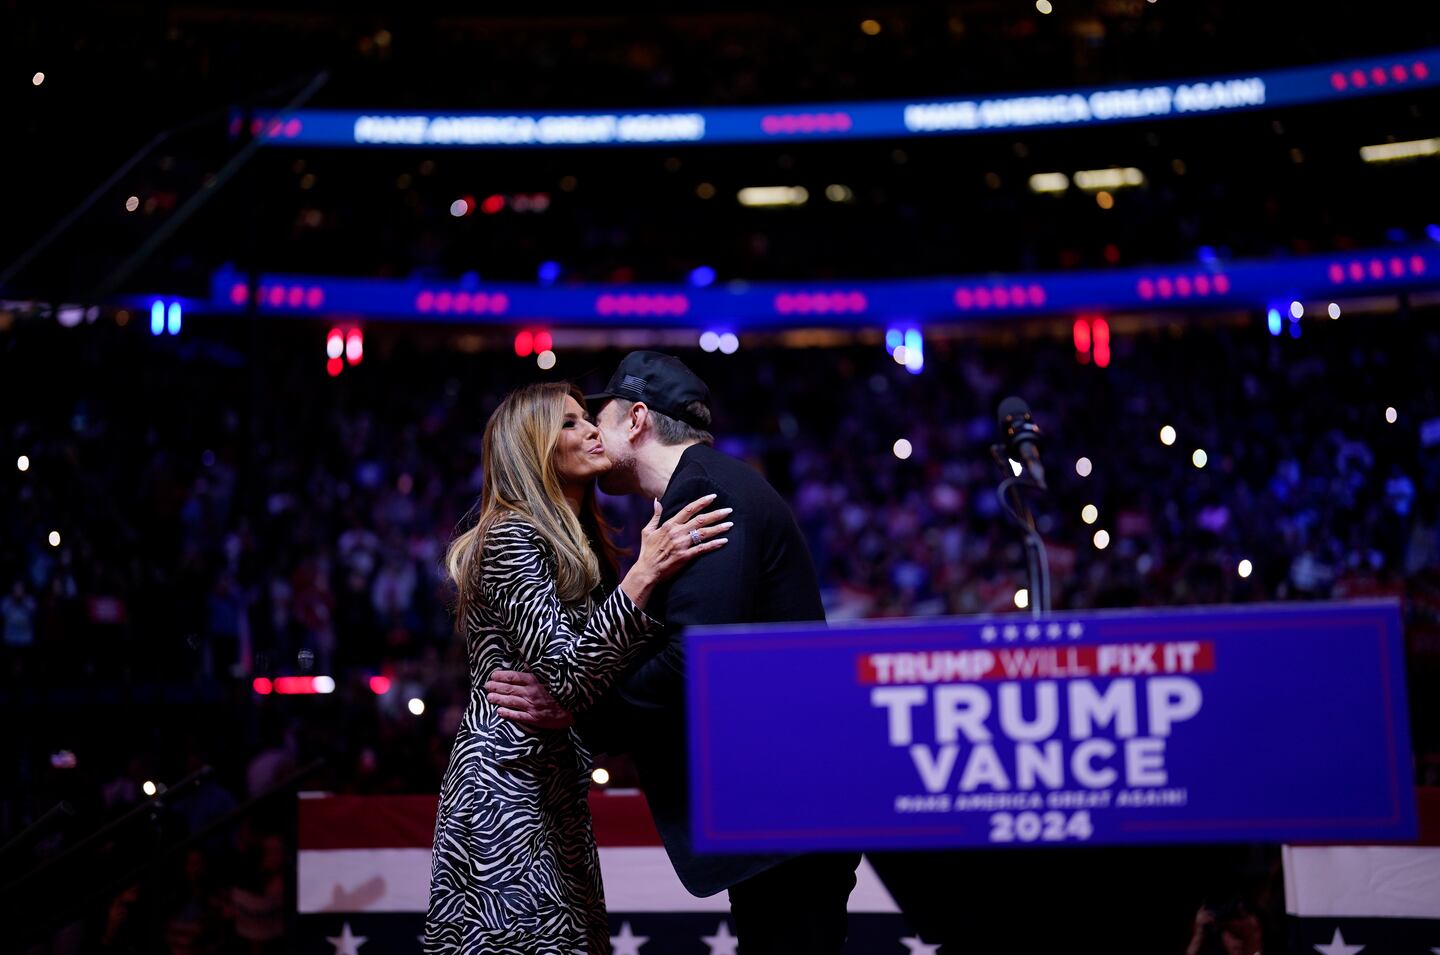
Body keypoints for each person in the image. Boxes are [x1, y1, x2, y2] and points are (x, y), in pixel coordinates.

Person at [486, 353, 861, 953]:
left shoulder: (706, 492)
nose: (590, 432)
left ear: (636, 420)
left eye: (595, 418)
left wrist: (577, 711)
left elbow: (691, 662)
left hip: (784, 807)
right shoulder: (696, 493)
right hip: (779, 804)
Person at [423, 381, 733, 954]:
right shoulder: (510, 536)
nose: (593, 430)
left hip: (553, 786)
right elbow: (568, 674)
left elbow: (594, 667)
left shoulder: (575, 541)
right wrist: (643, 576)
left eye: (586, 419)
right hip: (505, 791)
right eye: (569, 423)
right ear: (531, 447)